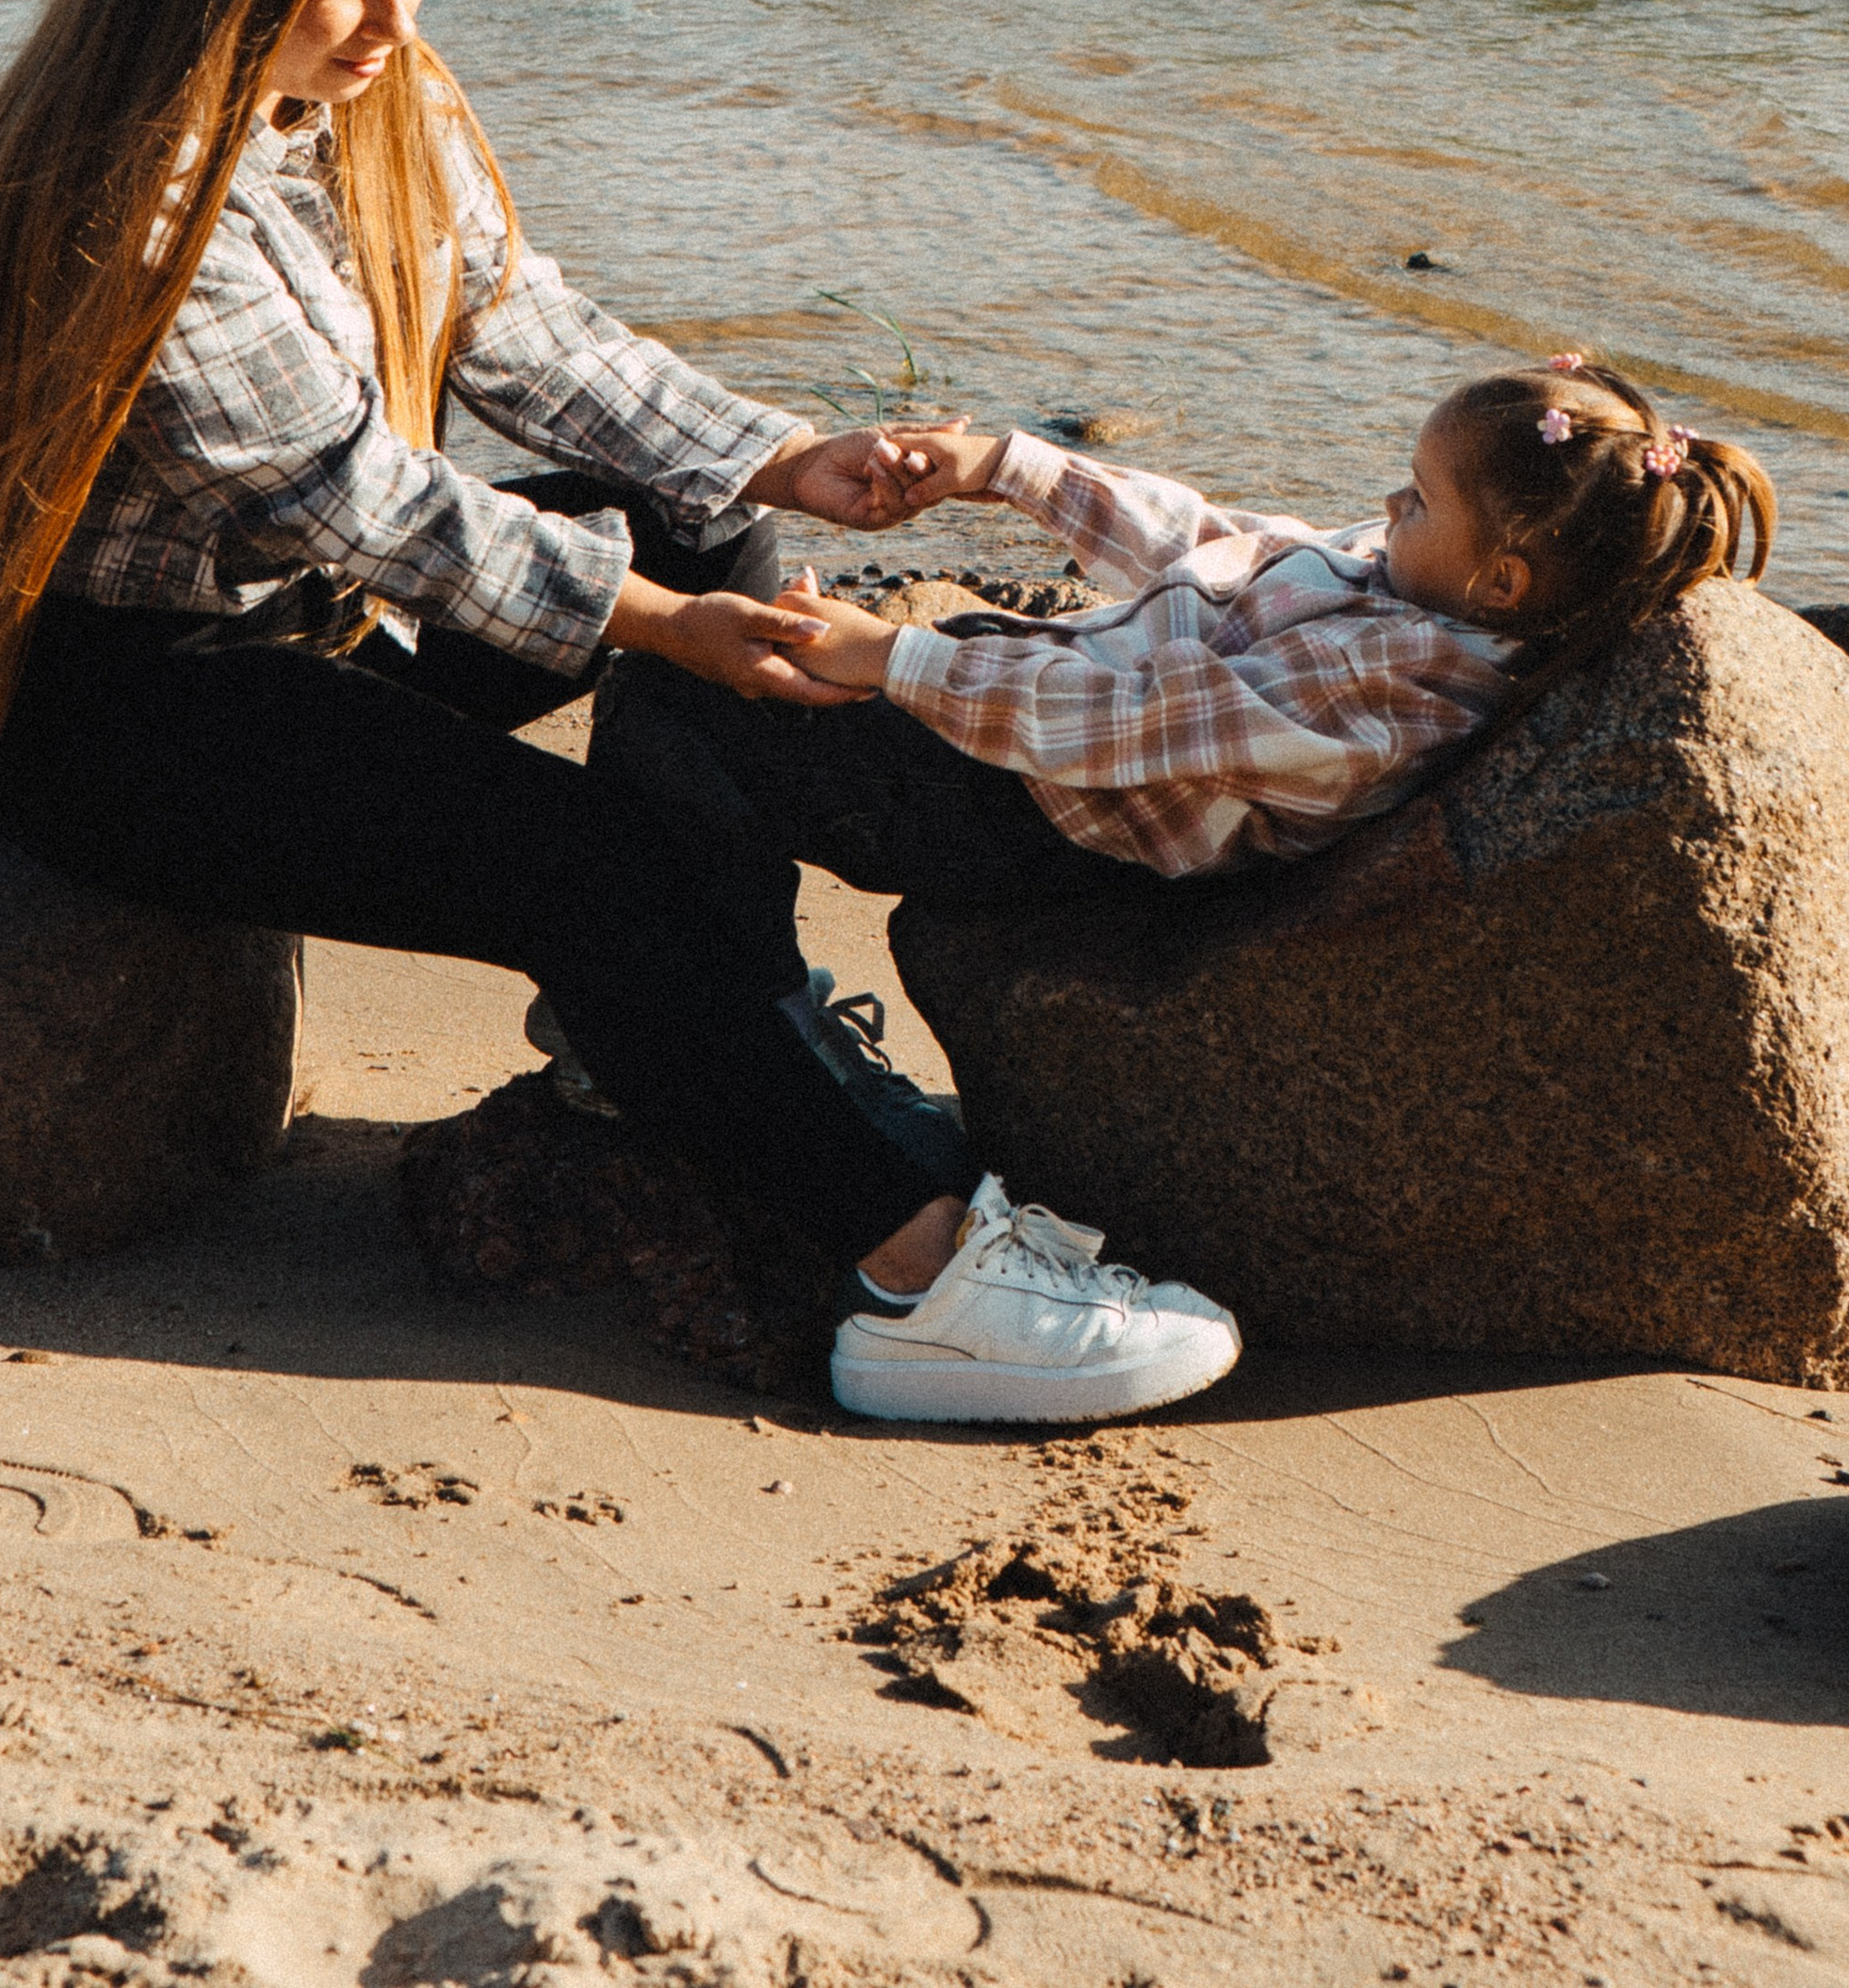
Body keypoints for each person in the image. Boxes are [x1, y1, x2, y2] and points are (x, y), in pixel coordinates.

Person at [0, 0, 1240, 1427]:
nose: (395, 27)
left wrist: (770, 458)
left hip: (313, 641)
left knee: (699, 522)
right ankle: (916, 1282)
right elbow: (355, 498)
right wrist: (659, 630)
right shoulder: (133, 195)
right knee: (585, 860)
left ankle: (667, 1039)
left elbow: (520, 327)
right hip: (125, 714)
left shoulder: (375, 100)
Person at [577, 362, 1776, 1415]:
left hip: (1031, 813)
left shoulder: (1399, 693)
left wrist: (893, 659)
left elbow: (1126, 728)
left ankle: (706, 1002)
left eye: (1418, 498)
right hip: (1041, 708)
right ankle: (709, 985)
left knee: (680, 707)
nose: (1388, 509)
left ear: (1504, 582)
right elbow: (1210, 538)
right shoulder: (1407, 584)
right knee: (710, 682)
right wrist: (1006, 466)